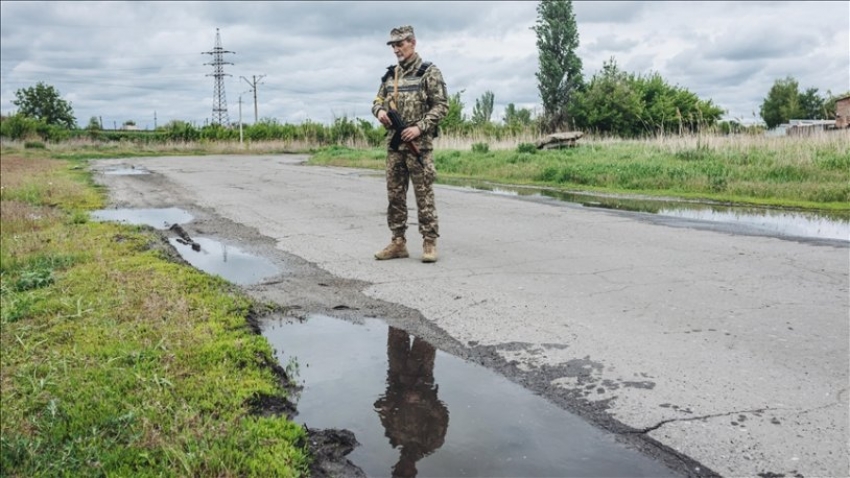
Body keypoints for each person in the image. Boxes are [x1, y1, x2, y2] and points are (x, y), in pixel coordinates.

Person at [372, 25, 448, 263]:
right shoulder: (390, 75)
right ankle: (398, 242)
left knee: (423, 195)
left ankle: (429, 242)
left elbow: (442, 106)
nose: (396, 49)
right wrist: (380, 113)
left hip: (419, 147)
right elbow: (376, 101)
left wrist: (419, 127)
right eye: (393, 45)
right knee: (395, 195)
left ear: (412, 43)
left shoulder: (429, 72)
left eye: (400, 44)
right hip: (395, 147)